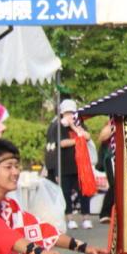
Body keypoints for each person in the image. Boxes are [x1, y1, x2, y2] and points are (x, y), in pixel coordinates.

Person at [46, 99, 93, 231]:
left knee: (84, 192)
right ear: (62, 113)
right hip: (65, 165)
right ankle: (70, 218)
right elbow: (62, 143)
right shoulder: (58, 126)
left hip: (81, 165)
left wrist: (74, 127)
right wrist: (78, 139)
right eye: (67, 113)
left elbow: (88, 136)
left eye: (72, 113)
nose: (70, 116)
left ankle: (86, 218)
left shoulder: (79, 124)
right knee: (66, 192)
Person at [96, 117, 117, 225]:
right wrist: (114, 129)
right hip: (111, 157)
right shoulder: (112, 123)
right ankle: (105, 213)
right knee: (114, 186)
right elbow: (102, 137)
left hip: (122, 157)